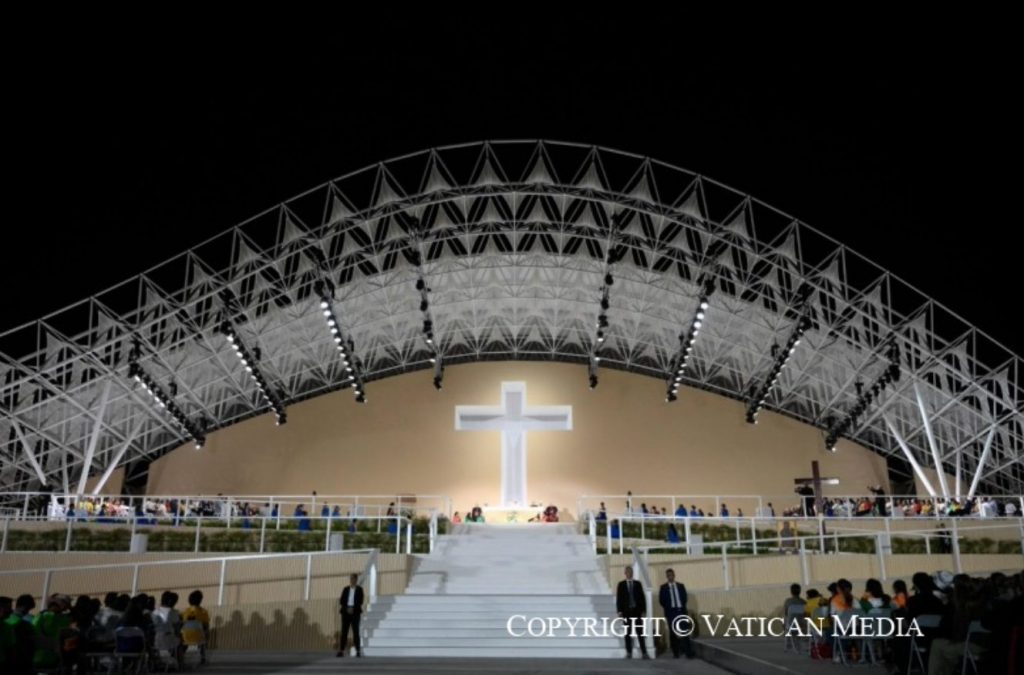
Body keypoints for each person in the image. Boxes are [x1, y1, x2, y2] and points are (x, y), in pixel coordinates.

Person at [659, 568, 693, 659]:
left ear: (674, 575)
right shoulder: (663, 588)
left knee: (684, 632)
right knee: (673, 633)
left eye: (671, 575)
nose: (670, 577)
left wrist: (681, 607)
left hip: (681, 611)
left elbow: (684, 598)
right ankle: (676, 652)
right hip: (671, 612)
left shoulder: (680, 586)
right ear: (667, 576)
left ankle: (688, 653)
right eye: (668, 575)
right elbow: (661, 601)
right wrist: (669, 608)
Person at [616, 566, 649, 659]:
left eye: (630, 571)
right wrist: (619, 610)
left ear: (632, 573)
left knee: (640, 632)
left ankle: (644, 653)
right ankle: (629, 652)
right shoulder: (621, 584)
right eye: (627, 571)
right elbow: (619, 598)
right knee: (628, 633)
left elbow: (642, 598)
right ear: (625, 573)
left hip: (637, 611)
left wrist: (643, 610)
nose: (629, 573)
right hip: (627, 612)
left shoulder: (638, 584)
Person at [337, 574, 365, 658]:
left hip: (355, 613)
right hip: (345, 612)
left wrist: (353, 608)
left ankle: (358, 651)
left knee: (356, 632)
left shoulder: (360, 589)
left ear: (356, 580)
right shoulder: (345, 589)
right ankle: (341, 651)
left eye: (353, 579)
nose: (351, 580)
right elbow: (341, 600)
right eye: (351, 579)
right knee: (344, 632)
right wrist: (347, 608)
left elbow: (361, 601)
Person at [181, 590, 210, 665]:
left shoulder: (185, 611)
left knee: (184, 637)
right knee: (205, 632)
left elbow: (181, 623)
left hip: (185, 637)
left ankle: (181, 655)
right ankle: (202, 657)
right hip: (199, 638)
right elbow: (206, 626)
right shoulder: (204, 612)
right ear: (200, 600)